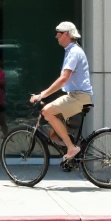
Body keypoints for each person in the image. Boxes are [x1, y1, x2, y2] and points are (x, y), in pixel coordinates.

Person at [29, 21, 93, 161]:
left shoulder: (74, 52)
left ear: (68, 34)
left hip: (78, 97)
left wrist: (42, 95)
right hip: (76, 96)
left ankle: (71, 148)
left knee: (47, 111)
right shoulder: (71, 50)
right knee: (52, 124)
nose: (56, 36)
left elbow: (63, 79)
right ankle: (66, 146)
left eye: (59, 33)